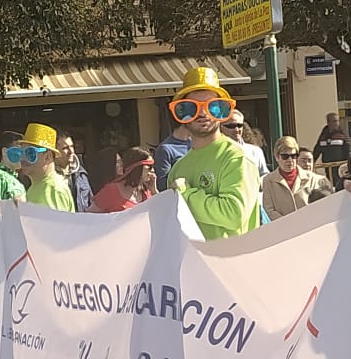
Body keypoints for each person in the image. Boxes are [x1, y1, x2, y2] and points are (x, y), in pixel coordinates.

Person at [165, 65, 260, 239]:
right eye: (191, 107)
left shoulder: (236, 158)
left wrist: (187, 194)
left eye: (212, 106)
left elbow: (234, 215)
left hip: (231, 263)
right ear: (181, 113)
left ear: (222, 111)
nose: (202, 113)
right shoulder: (178, 169)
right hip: (190, 264)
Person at [11, 123, 74, 211]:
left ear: (47, 157)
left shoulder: (53, 189)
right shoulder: (39, 186)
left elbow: (55, 224)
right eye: (21, 152)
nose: (22, 158)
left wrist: (22, 210)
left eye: (30, 153)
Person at [262, 136, 315, 217]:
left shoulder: (311, 178)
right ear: (277, 157)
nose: (290, 160)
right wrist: (287, 224)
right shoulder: (268, 180)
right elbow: (269, 209)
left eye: (293, 156)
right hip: (283, 227)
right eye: (285, 156)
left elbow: (317, 205)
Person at [92, 146, 155, 213]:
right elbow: (89, 215)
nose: (152, 170)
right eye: (149, 167)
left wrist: (154, 191)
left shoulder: (147, 191)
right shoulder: (112, 191)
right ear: (136, 168)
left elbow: (159, 214)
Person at [55, 134, 94, 212]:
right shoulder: (50, 176)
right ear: (55, 152)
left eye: (72, 146)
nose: (71, 151)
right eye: (65, 148)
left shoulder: (81, 174)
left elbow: (91, 202)